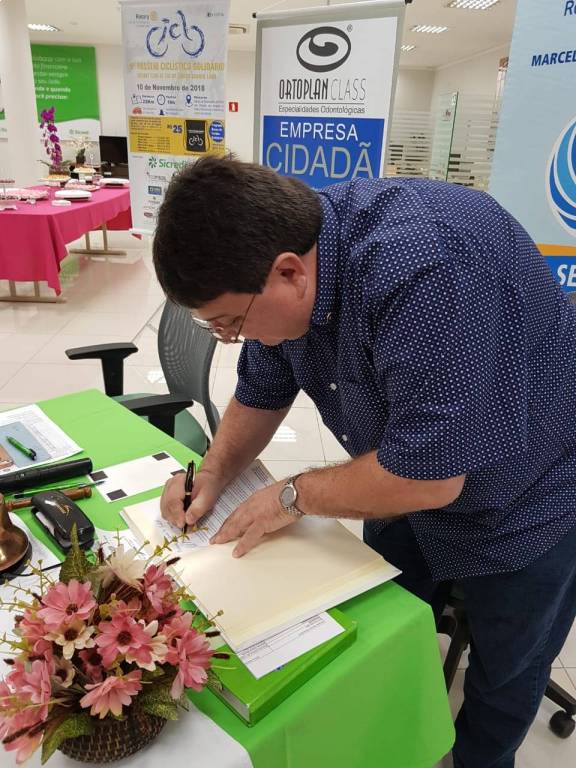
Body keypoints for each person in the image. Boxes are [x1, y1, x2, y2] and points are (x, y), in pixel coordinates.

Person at [154, 155, 576, 768]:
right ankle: (394, 739)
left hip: (529, 489)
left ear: (290, 273)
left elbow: (427, 479)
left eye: (231, 323)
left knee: (505, 671)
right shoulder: (291, 256)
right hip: (406, 475)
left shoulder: (423, 269)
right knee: (382, 628)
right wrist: (214, 472)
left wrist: (292, 496)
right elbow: (263, 388)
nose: (235, 338)